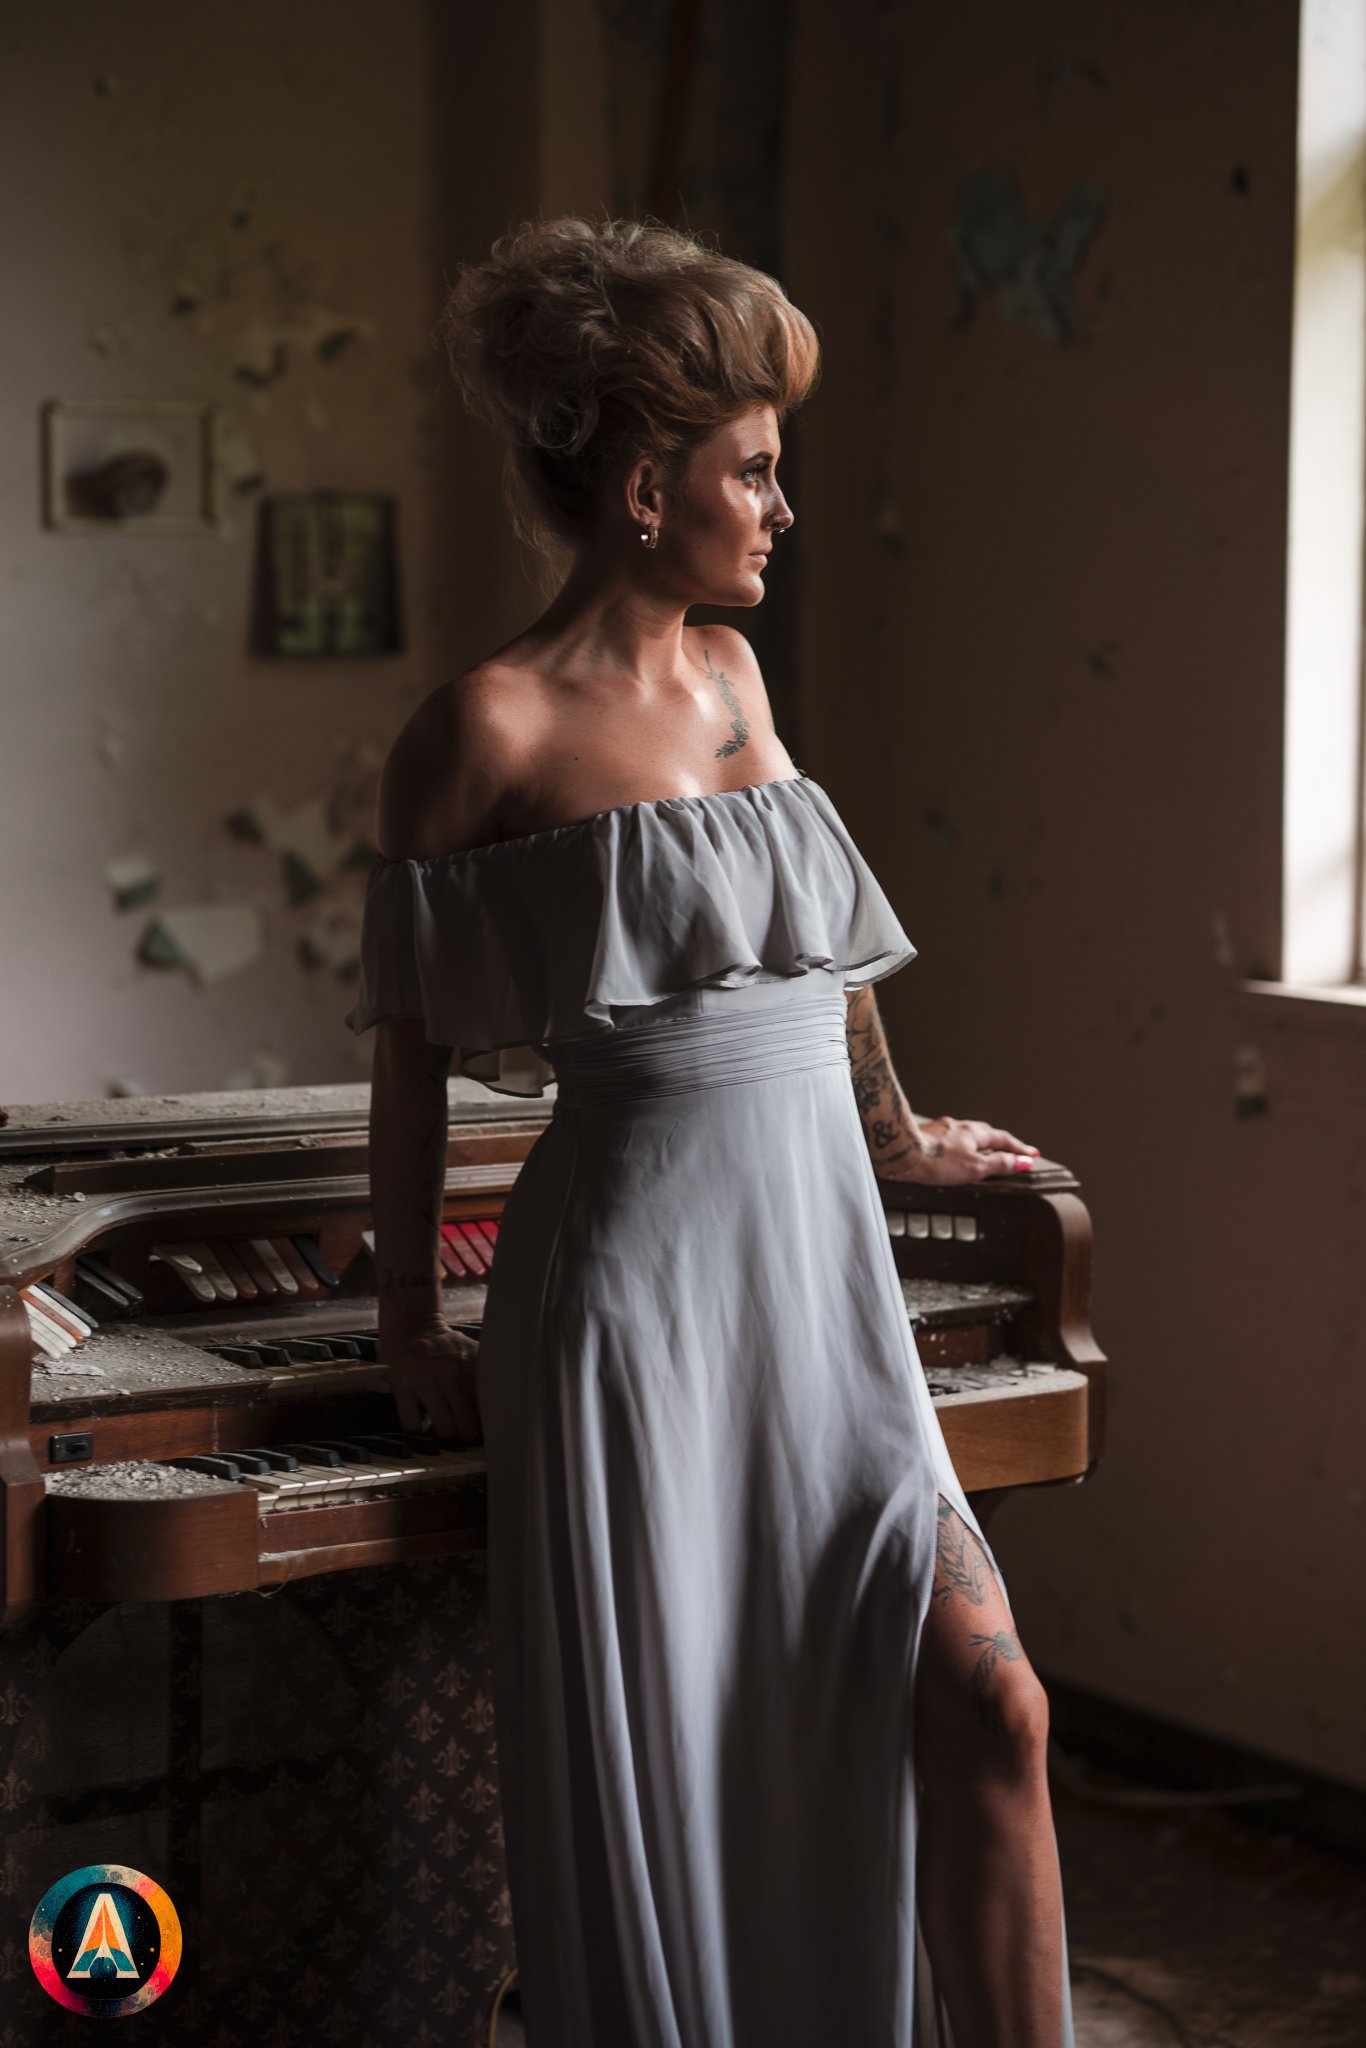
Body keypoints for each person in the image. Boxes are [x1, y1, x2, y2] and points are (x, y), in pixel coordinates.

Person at [346, 216, 1075, 2047]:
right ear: (645, 477)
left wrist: (899, 1137)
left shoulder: (738, 683)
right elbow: (410, 1053)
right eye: (754, 468)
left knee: (992, 1708)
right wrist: (412, 1329)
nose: (780, 507)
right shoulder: (479, 732)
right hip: (631, 1313)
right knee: (680, 1757)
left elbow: (816, 951)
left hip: (819, 1280)